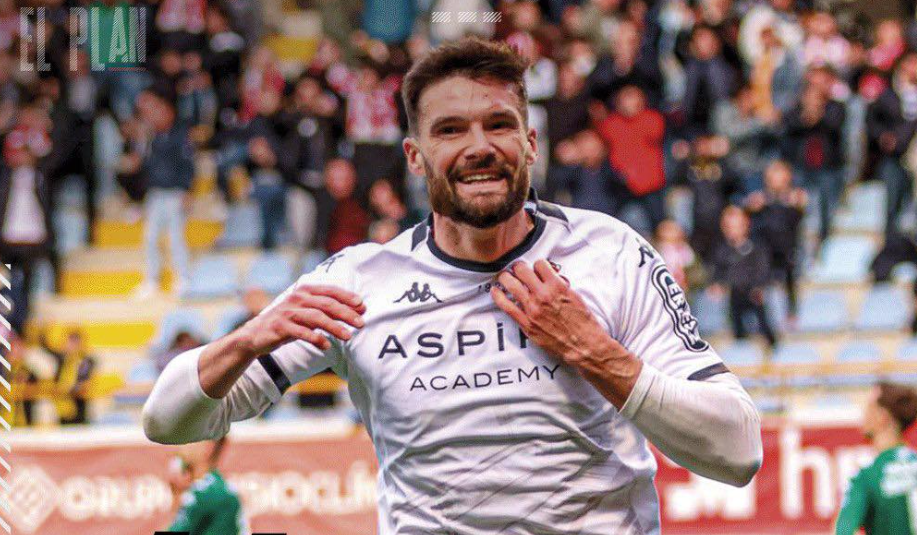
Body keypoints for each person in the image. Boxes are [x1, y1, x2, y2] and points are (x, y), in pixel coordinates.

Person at [144, 38, 762, 535]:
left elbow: (736, 450)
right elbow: (168, 422)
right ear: (414, 156)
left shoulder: (609, 252)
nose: (479, 147)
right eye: (450, 130)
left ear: (530, 142)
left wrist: (590, 352)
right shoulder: (359, 283)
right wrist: (247, 340)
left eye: (499, 124)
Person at [836, 382, 917, 535]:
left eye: (869, 407)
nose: (863, 414)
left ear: (882, 417)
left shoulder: (867, 476)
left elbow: (844, 531)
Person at [709, 205, 778, 348]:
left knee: (763, 322)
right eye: (729, 227)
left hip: (753, 293)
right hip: (735, 293)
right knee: (736, 326)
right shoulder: (722, 250)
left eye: (737, 226)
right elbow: (718, 271)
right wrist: (717, 284)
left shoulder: (757, 247)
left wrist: (759, 286)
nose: (733, 230)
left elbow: (763, 269)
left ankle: (771, 347)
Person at [165, 437, 250, 535]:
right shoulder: (218, 487)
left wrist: (176, 495)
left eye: (189, 436)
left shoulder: (205, 493)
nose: (180, 446)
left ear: (207, 445)